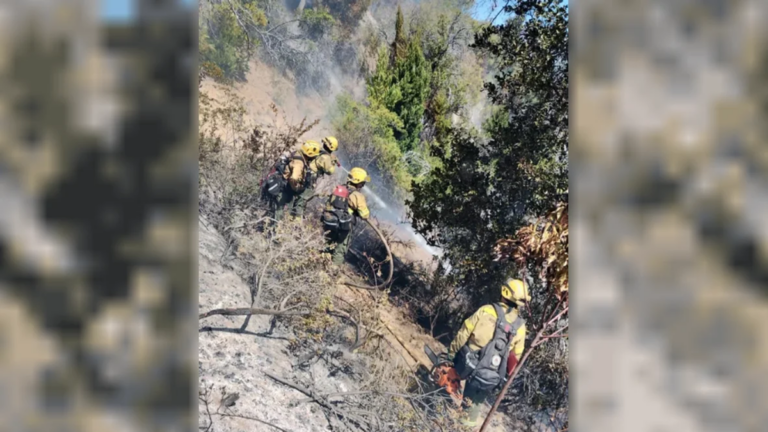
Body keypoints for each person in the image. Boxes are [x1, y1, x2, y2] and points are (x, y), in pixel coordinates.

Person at [446, 278, 530, 428]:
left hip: (468, 363)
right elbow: (515, 357)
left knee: (449, 375)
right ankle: (466, 425)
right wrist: (503, 377)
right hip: (492, 374)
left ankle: (438, 399)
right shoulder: (521, 327)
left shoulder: (487, 310)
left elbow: (463, 334)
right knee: (474, 405)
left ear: (504, 292)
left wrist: (450, 355)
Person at [321, 167, 370, 265]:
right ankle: (332, 271)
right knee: (340, 249)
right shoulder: (357, 196)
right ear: (359, 182)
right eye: (363, 182)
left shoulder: (338, 188)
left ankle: (321, 262)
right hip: (344, 226)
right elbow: (365, 215)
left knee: (327, 244)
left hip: (330, 222)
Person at [273, 140, 321, 221]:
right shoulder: (299, 163)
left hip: (284, 186)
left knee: (281, 211)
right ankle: (276, 230)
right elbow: (294, 178)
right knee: (280, 213)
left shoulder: (298, 153)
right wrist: (297, 189)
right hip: (286, 189)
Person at [293, 136, 340, 218]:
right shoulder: (326, 158)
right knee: (301, 202)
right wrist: (333, 162)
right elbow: (330, 171)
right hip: (309, 180)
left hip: (304, 176)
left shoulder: (319, 151)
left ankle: (293, 217)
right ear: (332, 148)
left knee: (299, 200)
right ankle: (296, 222)